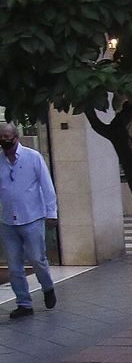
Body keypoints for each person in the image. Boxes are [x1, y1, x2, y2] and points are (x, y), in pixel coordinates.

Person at [0, 123, 59, 318]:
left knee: (37, 259)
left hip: (32, 217)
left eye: (7, 137)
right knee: (14, 266)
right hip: (8, 221)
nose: (4, 141)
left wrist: (52, 213)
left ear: (16, 137)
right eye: (1, 137)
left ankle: (48, 287)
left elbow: (47, 186)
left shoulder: (33, 157)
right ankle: (24, 303)